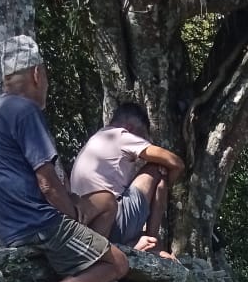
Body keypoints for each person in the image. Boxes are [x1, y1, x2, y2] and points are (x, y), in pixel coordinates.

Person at [0, 35, 129, 282]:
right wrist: (72, 217)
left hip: (13, 221)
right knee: (118, 263)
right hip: (35, 221)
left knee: (106, 201)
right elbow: (46, 183)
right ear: (37, 74)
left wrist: (73, 203)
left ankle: (86, 274)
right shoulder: (24, 110)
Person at [70, 103, 184, 257]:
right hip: (111, 221)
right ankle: (152, 243)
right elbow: (176, 162)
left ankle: (135, 243)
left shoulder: (97, 138)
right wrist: (166, 181)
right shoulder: (121, 135)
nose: (142, 140)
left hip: (89, 224)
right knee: (158, 168)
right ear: (130, 129)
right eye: (142, 136)